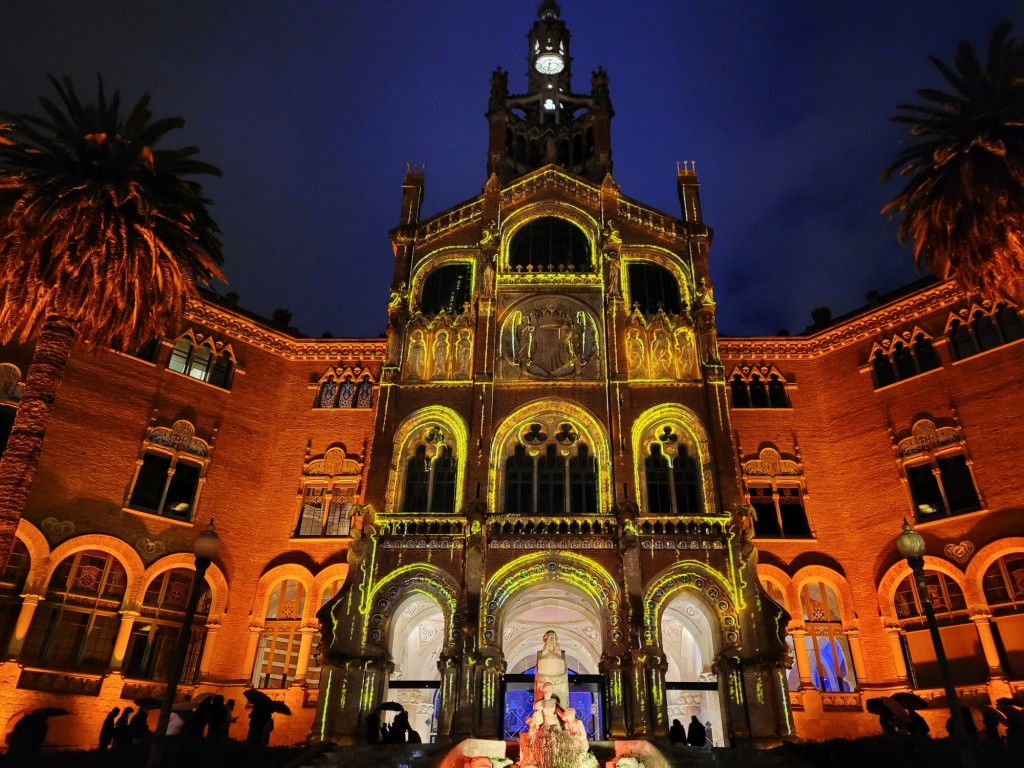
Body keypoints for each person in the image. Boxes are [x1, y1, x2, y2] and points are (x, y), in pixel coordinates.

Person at [534, 630, 569, 712]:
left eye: (553, 638)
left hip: (560, 682)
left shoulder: (561, 654)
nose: (552, 640)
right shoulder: (540, 654)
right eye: (550, 637)